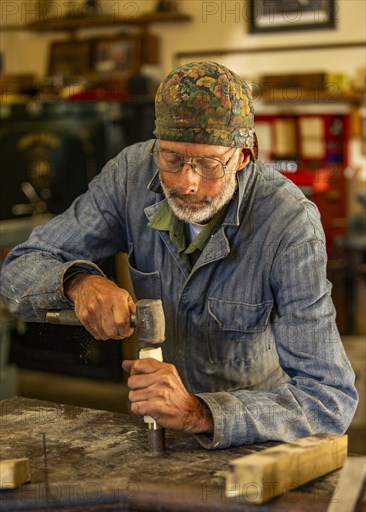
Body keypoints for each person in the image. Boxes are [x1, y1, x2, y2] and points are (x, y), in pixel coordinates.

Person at [0, 62, 358, 449]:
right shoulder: (129, 178)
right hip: (159, 430)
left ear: (243, 156)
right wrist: (78, 282)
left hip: (255, 437)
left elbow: (329, 399)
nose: (187, 182)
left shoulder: (288, 224)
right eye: (171, 159)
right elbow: (19, 269)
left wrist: (199, 412)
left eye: (208, 163)